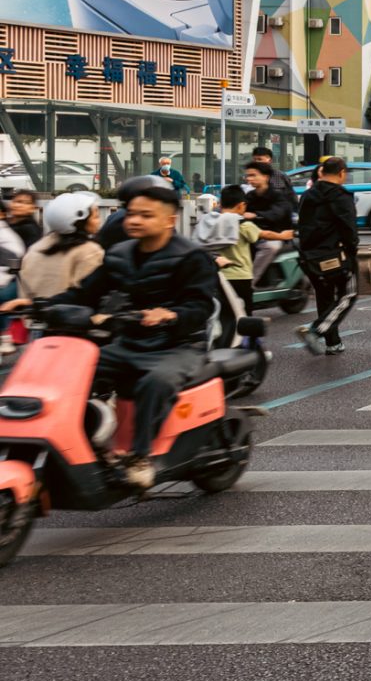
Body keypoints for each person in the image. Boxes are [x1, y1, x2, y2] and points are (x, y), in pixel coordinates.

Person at [4, 180, 220, 489]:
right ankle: (85, 445)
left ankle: (140, 457)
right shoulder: (118, 254)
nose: (134, 220)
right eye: (131, 213)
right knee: (68, 376)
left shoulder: (192, 257)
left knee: (155, 382)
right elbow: (83, 294)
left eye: (146, 215)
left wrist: (170, 315)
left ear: (170, 219)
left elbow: (200, 307)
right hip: (128, 342)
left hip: (179, 347)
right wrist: (36, 305)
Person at [295, 157, 363, 354]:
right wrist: (351, 253)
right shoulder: (341, 196)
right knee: (348, 295)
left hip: (310, 256)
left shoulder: (308, 195)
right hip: (336, 255)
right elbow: (349, 230)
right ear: (342, 173)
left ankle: (332, 343)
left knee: (324, 297)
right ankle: (316, 329)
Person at [18, 192, 104, 305]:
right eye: (96, 217)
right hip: (67, 319)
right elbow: (88, 296)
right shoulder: (90, 251)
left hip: (32, 317)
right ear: (80, 222)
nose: (99, 221)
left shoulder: (36, 247)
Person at [208, 185, 262, 342]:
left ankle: (224, 341)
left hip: (218, 276)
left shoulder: (212, 222)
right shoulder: (244, 225)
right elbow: (258, 236)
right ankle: (250, 343)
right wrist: (284, 235)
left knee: (223, 313)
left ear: (220, 203)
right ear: (241, 205)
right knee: (245, 314)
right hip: (241, 276)